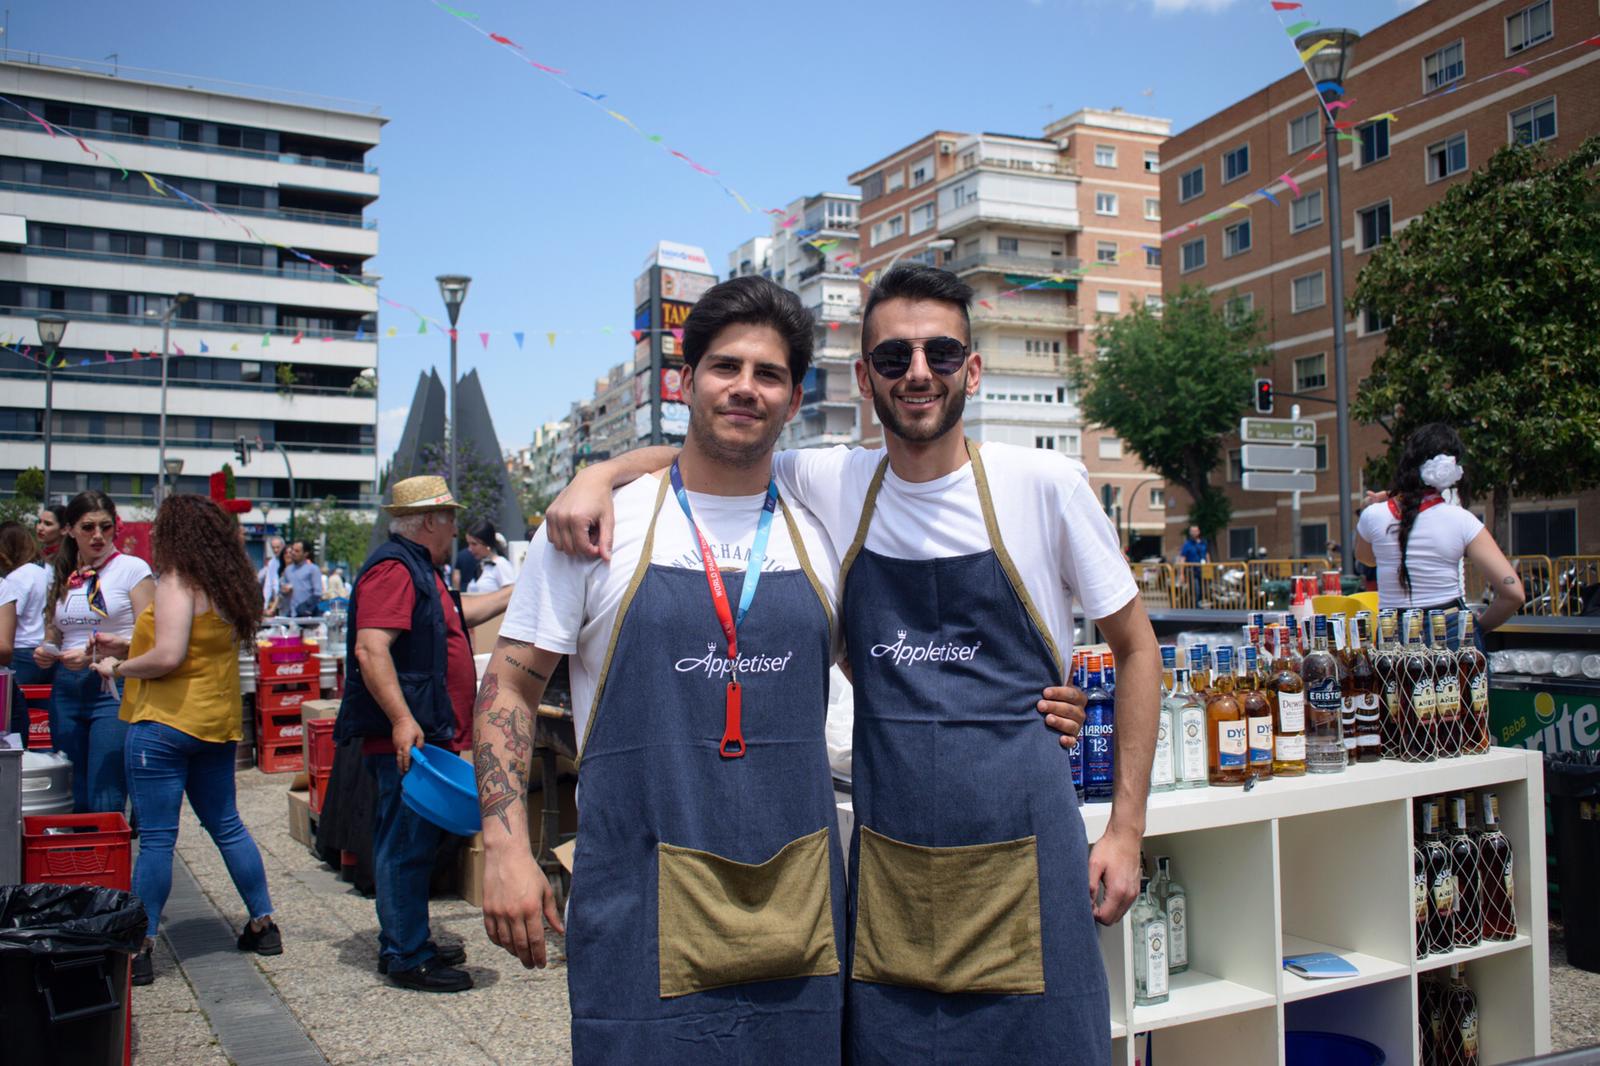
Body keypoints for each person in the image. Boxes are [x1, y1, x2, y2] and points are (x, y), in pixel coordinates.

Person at [544, 265, 1153, 1064]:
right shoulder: (832, 482)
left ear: (973, 367)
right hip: (891, 861)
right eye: (895, 358)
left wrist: (1126, 831)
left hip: (1027, 851)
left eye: (941, 352)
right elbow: (717, 440)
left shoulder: (1045, 486)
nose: (920, 373)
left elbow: (1139, 648)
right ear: (864, 378)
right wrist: (597, 473)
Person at [332, 475, 514, 992]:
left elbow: (461, 616)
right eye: (450, 516)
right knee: (405, 843)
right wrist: (401, 718)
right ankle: (406, 953)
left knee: (414, 841)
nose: (457, 527)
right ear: (430, 520)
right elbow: (372, 648)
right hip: (409, 737)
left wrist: (520, 592)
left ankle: (410, 936)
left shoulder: (422, 571)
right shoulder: (395, 570)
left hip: (425, 732)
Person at [91, 495, 278, 986]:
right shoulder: (230, 586)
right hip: (214, 725)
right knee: (228, 827)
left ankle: (142, 945)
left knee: (156, 838)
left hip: (165, 725)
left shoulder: (176, 581)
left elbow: (170, 655)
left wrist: (120, 666)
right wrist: (129, 643)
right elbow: (194, 647)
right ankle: (264, 923)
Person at [33, 492, 154, 812]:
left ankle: (103, 860)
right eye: (88, 527)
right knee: (72, 785)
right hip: (67, 687)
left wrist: (100, 655)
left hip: (113, 686)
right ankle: (78, 858)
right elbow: (55, 629)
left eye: (105, 526)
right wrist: (47, 650)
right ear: (70, 529)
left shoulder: (132, 568)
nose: (98, 535)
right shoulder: (62, 572)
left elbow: (151, 636)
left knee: (105, 789)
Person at [1355, 423, 1525, 646]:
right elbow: (1514, 594)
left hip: (1394, 633)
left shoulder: (1372, 516)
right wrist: (1475, 630)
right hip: (1450, 627)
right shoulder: (1461, 520)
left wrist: (1385, 498)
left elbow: (1367, 558)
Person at [0, 521, 51, 737]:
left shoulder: (15, 578)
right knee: (40, 718)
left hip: (21, 650)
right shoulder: (46, 570)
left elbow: (11, 617)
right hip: (41, 648)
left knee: (17, 711)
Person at [463, 521, 516, 594]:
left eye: (474, 544)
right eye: (468, 544)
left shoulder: (501, 565)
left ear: (487, 544)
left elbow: (510, 595)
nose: (470, 548)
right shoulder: (481, 565)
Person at [280, 540, 323, 618]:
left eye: (297, 551)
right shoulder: (288, 570)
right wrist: (284, 590)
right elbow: (283, 590)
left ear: (305, 554)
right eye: (292, 550)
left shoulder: (313, 569)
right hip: (291, 614)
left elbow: (318, 593)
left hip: (306, 614)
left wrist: (306, 607)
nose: (293, 553)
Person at [258, 535, 285, 612]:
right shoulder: (272, 563)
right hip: (276, 600)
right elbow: (268, 584)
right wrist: (265, 605)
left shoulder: (289, 561)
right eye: (273, 548)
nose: (276, 550)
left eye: (278, 547)